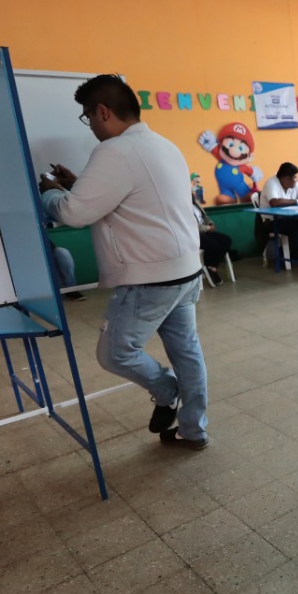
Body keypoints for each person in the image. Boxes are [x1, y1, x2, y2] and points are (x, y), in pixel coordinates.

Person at [39, 74, 209, 449]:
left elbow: (74, 213)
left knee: (116, 353)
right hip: (185, 269)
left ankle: (167, 391)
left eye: (88, 116)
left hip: (150, 277)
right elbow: (134, 195)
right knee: (188, 352)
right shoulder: (164, 145)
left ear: (102, 112)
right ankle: (193, 430)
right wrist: (78, 182)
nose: (91, 125)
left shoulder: (114, 151)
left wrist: (52, 193)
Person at [192, 197, 233, 286]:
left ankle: (212, 267)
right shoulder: (182, 206)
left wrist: (210, 223)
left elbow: (204, 216)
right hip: (194, 235)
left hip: (205, 231)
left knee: (226, 240)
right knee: (213, 244)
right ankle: (209, 267)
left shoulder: (195, 202)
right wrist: (207, 228)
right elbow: (190, 225)